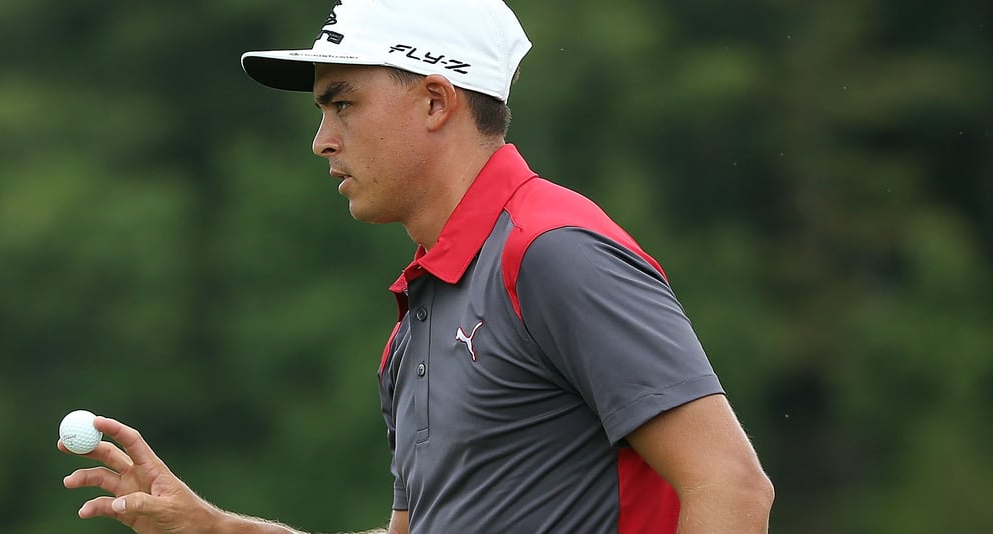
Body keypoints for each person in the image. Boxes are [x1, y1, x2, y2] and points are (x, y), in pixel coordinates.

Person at [59, 0, 775, 532]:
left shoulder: (552, 250)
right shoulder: (417, 320)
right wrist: (214, 527)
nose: (321, 141)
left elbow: (731, 487)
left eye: (342, 104)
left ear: (437, 100)